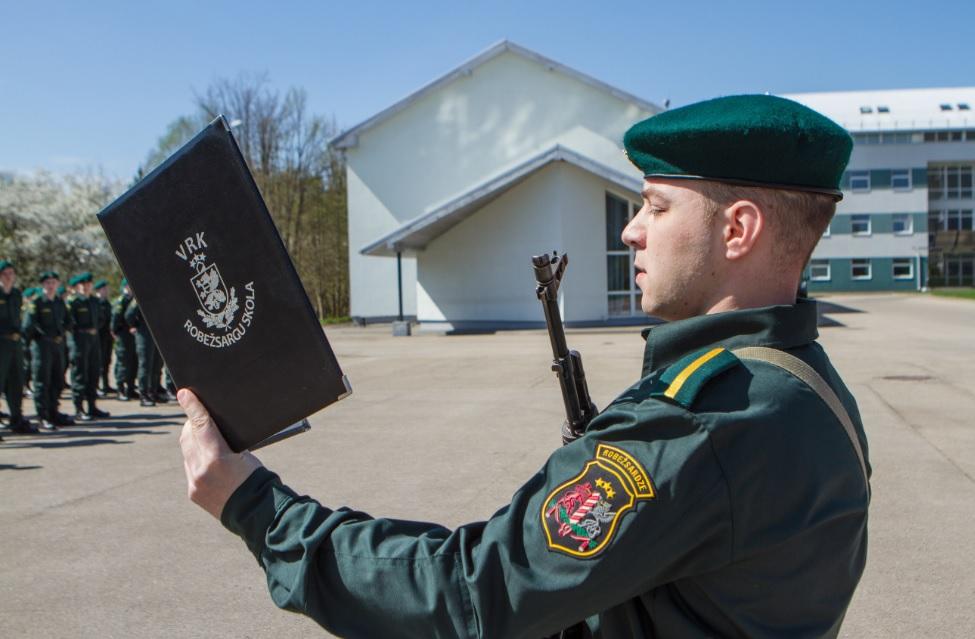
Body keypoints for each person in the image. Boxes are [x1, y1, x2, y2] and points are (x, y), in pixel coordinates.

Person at [177, 95, 871, 638]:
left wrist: (255, 506)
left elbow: (474, 592)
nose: (630, 229)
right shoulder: (807, 385)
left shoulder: (701, 419)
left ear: (738, 229)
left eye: (656, 206)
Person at [24, 271, 73, 431]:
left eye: (53, 282)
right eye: (47, 283)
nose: (50, 286)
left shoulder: (59, 301)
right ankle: (43, 416)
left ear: (57, 284)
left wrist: (62, 332)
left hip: (57, 346)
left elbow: (68, 320)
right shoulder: (37, 302)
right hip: (42, 346)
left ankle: (53, 412)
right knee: (42, 381)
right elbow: (29, 325)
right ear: (42, 285)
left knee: (57, 380)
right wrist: (42, 336)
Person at [66, 272, 110, 421]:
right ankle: (79, 408)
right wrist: (83, 330)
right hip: (79, 342)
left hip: (93, 341)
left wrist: (94, 328)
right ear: (77, 286)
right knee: (79, 374)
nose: (85, 287)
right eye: (82, 285)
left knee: (93, 373)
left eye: (88, 284)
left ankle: (92, 406)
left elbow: (102, 319)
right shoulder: (73, 302)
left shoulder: (94, 301)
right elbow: (68, 322)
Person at [0, 261, 32, 435]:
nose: (9, 277)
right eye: (5, 274)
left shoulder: (16, 294)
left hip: (15, 343)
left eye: (11, 273)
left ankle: (16, 419)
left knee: (16, 381)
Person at [124, 299, 164, 407]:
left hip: (156, 333)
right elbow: (129, 314)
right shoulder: (141, 296)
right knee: (145, 365)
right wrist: (136, 325)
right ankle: (143, 395)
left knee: (156, 365)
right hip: (144, 334)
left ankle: (153, 392)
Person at [110, 278, 138, 401]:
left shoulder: (134, 299)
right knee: (123, 362)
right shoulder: (121, 301)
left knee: (133, 362)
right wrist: (115, 331)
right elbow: (116, 318)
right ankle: (120, 389)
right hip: (123, 335)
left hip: (132, 335)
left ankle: (130, 389)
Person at [94, 278, 116, 397]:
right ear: (98, 290)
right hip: (99, 337)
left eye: (106, 288)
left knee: (107, 361)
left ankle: (106, 385)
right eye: (104, 289)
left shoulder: (107, 303)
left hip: (107, 336)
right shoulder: (96, 303)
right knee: (98, 362)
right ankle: (97, 386)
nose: (106, 291)